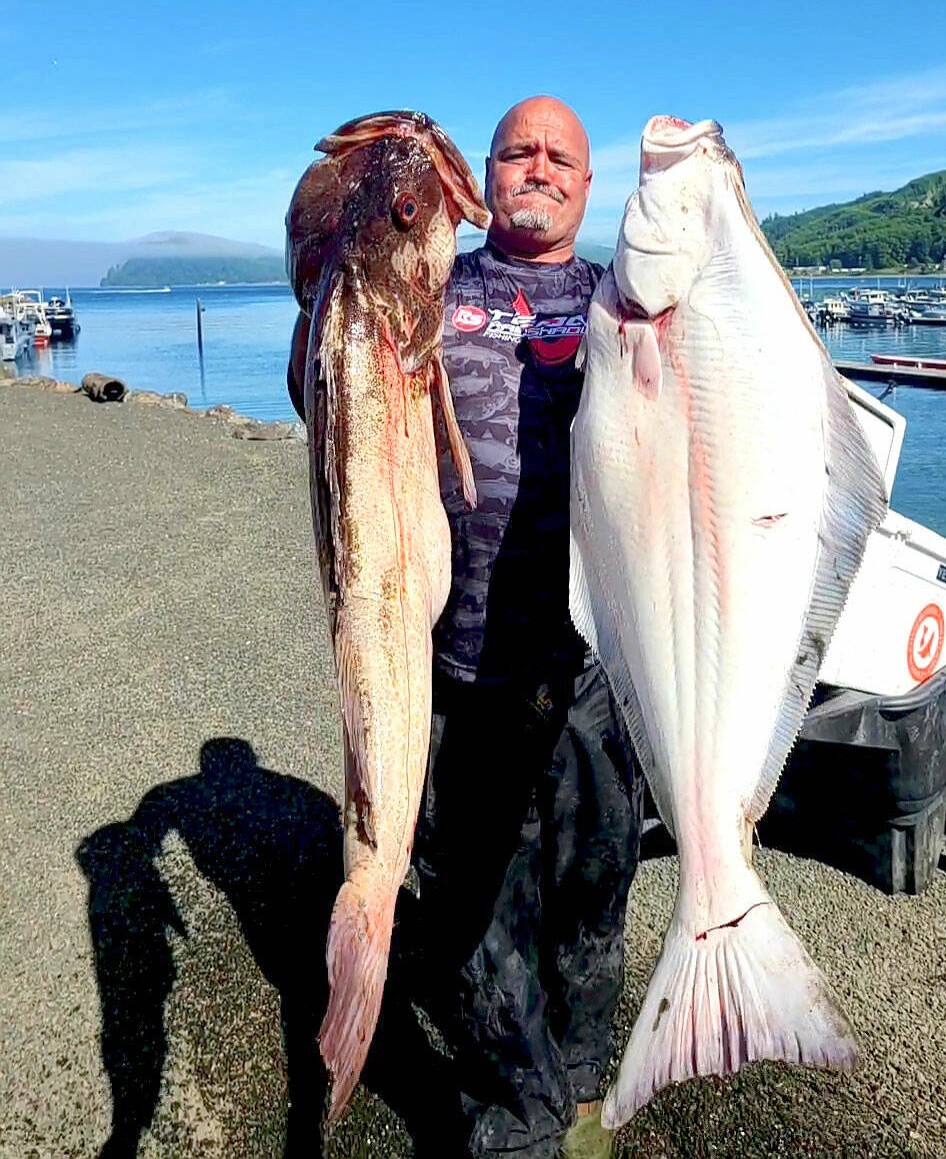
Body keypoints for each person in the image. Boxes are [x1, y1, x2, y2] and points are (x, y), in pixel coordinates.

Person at [289, 95, 642, 1159]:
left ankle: (583, 1088)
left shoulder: (623, 305)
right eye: (518, 151)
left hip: (588, 676)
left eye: (561, 157)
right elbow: (323, 374)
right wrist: (327, 250)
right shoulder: (434, 284)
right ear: (481, 177)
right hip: (453, 670)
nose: (539, 166)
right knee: (476, 924)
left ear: (587, 185)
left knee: (590, 898)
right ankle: (514, 1125)